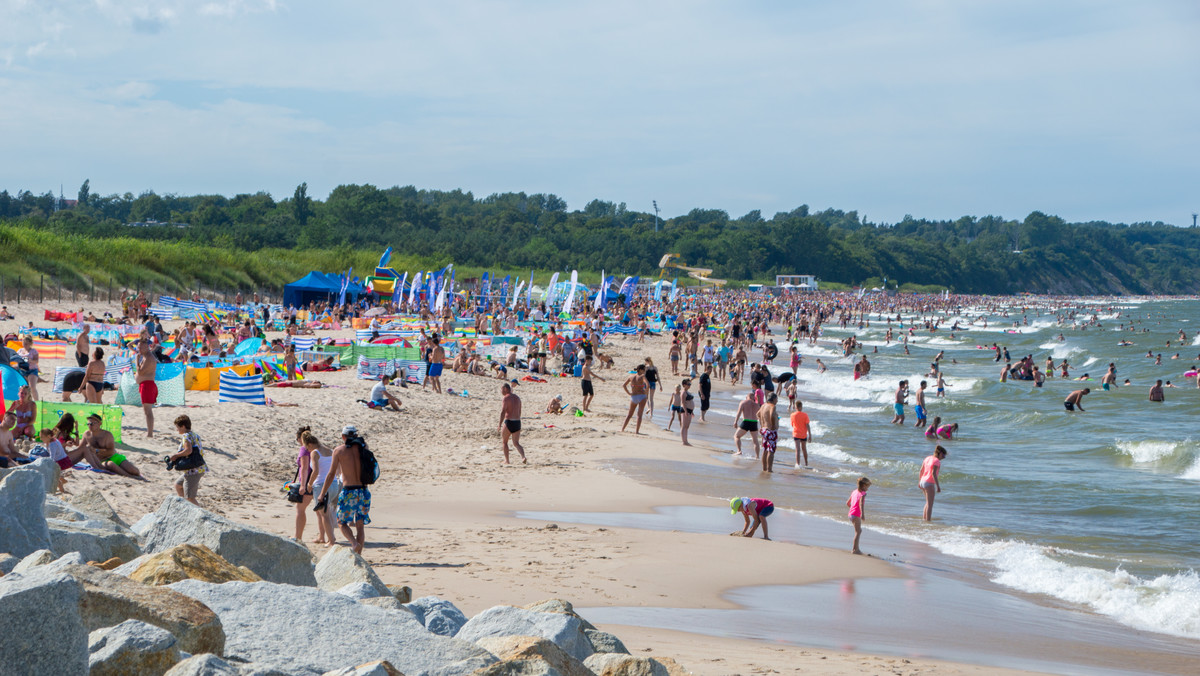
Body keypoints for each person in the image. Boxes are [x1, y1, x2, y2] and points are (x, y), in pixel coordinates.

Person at [318, 430, 370, 554]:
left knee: (342, 522)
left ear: (343, 437)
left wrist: (322, 493)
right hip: (363, 491)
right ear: (356, 436)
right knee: (360, 526)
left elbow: (331, 474)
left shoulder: (339, 451)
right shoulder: (364, 448)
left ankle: (354, 543)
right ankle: (359, 556)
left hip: (349, 491)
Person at [82, 413, 143, 479]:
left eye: (93, 423)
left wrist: (97, 450)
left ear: (100, 423)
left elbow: (110, 451)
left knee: (135, 471)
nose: (90, 425)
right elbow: (81, 448)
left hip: (113, 456)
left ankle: (133, 475)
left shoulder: (107, 435)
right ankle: (129, 476)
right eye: (88, 424)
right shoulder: (86, 434)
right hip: (100, 461)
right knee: (111, 464)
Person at [168, 415, 205, 505]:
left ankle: (200, 516)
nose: (177, 430)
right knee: (178, 485)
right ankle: (183, 506)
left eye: (177, 427)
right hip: (198, 467)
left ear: (183, 426)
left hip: (193, 470)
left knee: (190, 498)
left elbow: (188, 451)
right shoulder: (195, 435)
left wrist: (176, 455)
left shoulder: (186, 436)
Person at [292, 426, 314, 540]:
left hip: (308, 482)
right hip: (317, 481)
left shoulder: (304, 449)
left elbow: (305, 467)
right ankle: (323, 537)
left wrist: (303, 485)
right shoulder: (315, 448)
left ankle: (298, 536)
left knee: (300, 509)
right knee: (320, 511)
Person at [499, 383, 527, 464]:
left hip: (509, 421)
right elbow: (520, 411)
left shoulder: (506, 398)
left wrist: (499, 424)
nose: (501, 391)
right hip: (517, 422)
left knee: (504, 442)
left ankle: (507, 460)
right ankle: (523, 457)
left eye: (501, 389)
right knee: (516, 443)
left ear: (505, 389)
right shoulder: (517, 398)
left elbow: (503, 411)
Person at [135, 339, 158, 438]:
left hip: (147, 385)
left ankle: (150, 433)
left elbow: (140, 372)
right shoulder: (145, 356)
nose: (138, 349)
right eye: (138, 347)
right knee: (146, 411)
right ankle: (149, 432)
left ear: (146, 347)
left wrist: (136, 360)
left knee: (148, 411)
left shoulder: (149, 357)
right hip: (145, 384)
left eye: (141, 347)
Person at [919, 446, 948, 521]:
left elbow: (921, 470)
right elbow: (933, 473)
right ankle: (928, 522)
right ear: (940, 453)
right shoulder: (937, 461)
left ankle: (924, 519)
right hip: (929, 483)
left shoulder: (927, 458)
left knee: (927, 503)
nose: (944, 457)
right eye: (943, 455)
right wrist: (938, 486)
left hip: (922, 481)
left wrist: (919, 482)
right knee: (930, 505)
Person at [621, 364, 649, 435]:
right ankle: (636, 431)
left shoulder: (631, 376)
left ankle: (622, 429)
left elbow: (624, 385)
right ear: (640, 370)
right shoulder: (642, 376)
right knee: (639, 415)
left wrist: (629, 393)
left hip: (633, 396)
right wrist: (645, 390)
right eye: (644, 370)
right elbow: (648, 385)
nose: (645, 371)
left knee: (629, 415)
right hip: (642, 396)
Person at [733, 391, 761, 458]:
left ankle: (739, 451)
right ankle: (757, 456)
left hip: (746, 421)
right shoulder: (757, 405)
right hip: (754, 422)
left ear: (747, 397)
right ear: (753, 398)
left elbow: (739, 412)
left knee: (736, 436)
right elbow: (760, 416)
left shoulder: (743, 402)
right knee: (755, 440)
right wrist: (762, 426)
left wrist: (735, 421)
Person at [847, 477, 870, 554]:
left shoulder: (854, 492)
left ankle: (855, 548)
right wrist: (862, 514)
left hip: (851, 514)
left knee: (858, 531)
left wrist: (852, 509)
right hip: (856, 514)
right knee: (858, 531)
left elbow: (847, 503)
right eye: (867, 487)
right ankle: (855, 549)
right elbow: (861, 504)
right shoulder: (863, 493)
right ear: (863, 486)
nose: (868, 488)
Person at [758, 393, 779, 472]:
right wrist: (773, 425)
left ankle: (764, 468)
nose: (777, 401)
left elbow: (758, 414)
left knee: (765, 449)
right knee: (771, 450)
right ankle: (769, 469)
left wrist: (762, 424)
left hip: (764, 429)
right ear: (773, 399)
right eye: (776, 399)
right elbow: (772, 415)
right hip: (771, 430)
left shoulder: (763, 405)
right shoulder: (772, 406)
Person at [789, 401, 811, 468]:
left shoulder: (792, 415)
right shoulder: (805, 415)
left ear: (795, 407)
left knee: (797, 449)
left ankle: (797, 464)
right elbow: (807, 425)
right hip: (803, 434)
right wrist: (810, 434)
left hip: (796, 433)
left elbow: (792, 425)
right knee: (804, 449)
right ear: (801, 407)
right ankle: (806, 463)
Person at [18, 335, 40, 399]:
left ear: (30, 344)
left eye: (26, 344)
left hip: (32, 370)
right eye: (23, 343)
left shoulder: (33, 351)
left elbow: (36, 361)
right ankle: (26, 402)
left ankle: (36, 402)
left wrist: (30, 360)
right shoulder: (20, 351)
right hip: (22, 370)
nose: (25, 345)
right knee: (23, 389)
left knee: (32, 387)